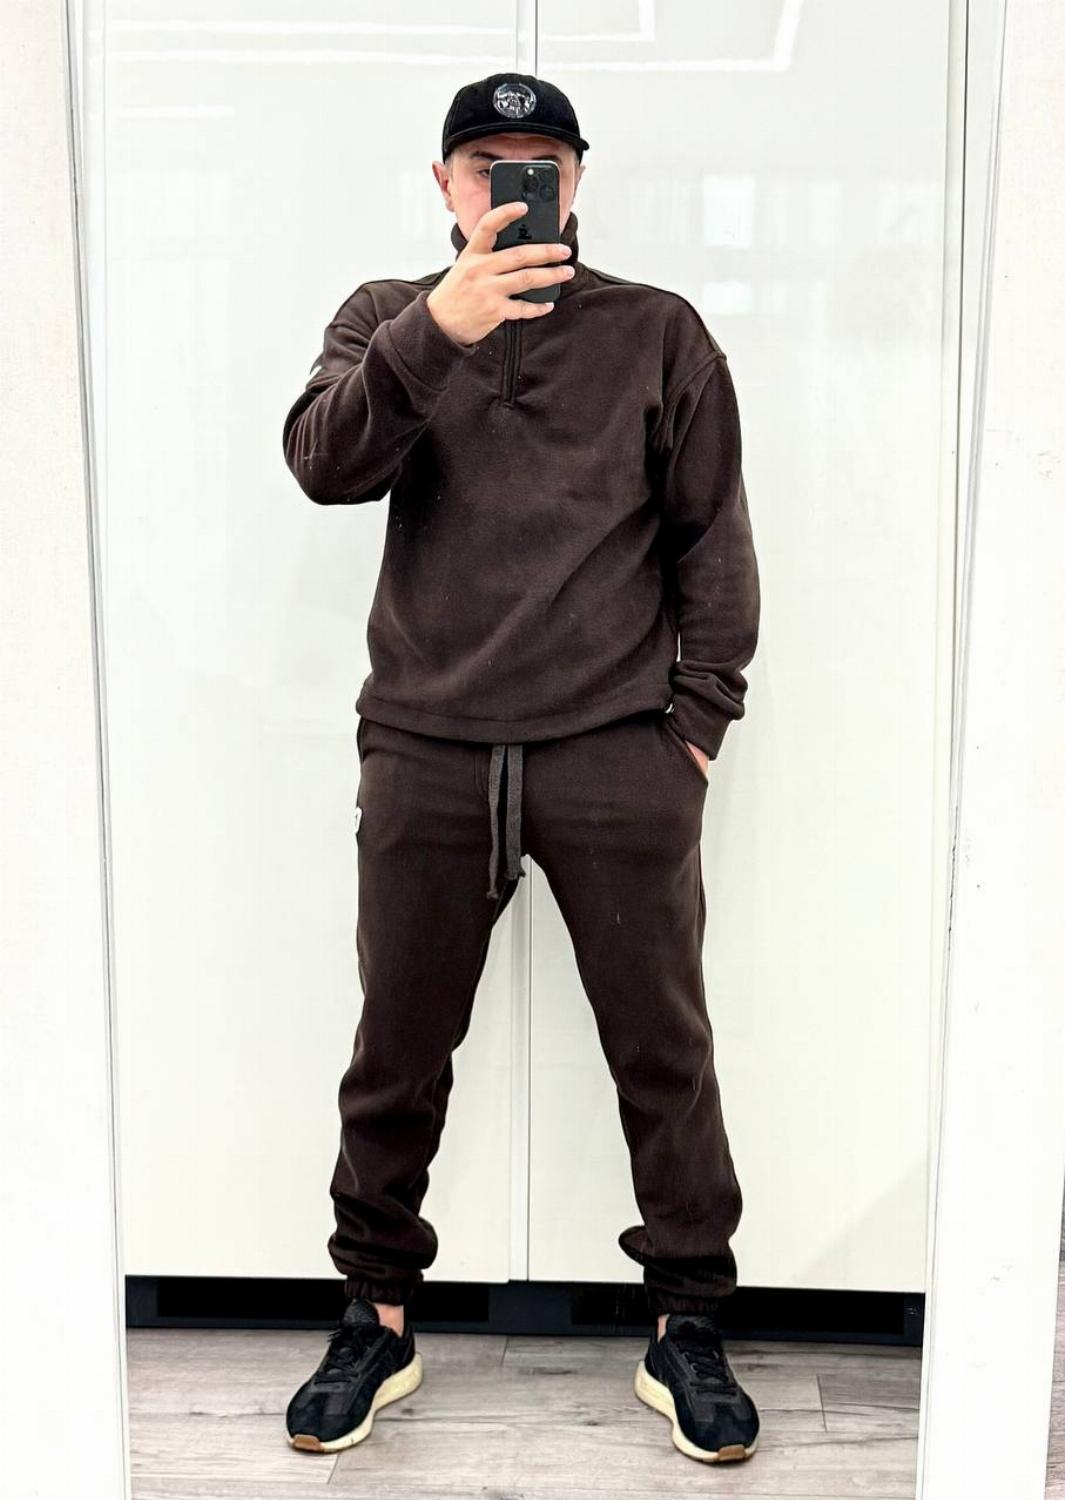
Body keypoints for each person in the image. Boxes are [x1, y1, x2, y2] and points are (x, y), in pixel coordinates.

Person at [281, 71, 761, 1466]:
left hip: (613, 750)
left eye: (538, 160)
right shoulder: (385, 318)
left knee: (662, 1049)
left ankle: (686, 1323)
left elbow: (713, 541)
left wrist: (694, 727)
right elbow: (323, 463)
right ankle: (375, 1316)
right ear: (444, 185)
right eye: (486, 162)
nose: (512, 183)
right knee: (395, 1050)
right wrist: (437, 331)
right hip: (426, 748)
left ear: (577, 178)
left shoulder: (658, 333)